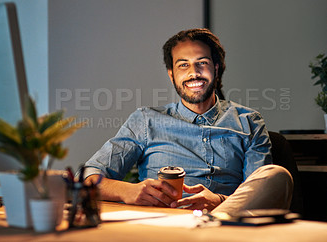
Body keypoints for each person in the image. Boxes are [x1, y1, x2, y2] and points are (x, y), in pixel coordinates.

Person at [84, 28, 293, 216]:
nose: (193, 73)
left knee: (275, 175)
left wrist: (219, 202)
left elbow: (261, 195)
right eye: (183, 65)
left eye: (202, 63)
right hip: (162, 226)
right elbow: (88, 177)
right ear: (171, 74)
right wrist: (129, 191)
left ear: (216, 69)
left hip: (226, 224)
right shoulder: (145, 121)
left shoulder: (249, 122)